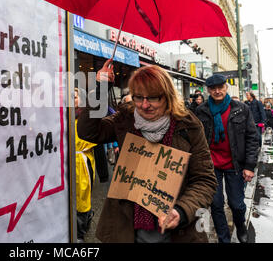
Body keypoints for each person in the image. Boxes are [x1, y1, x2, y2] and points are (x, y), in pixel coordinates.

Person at [77, 60, 217, 243]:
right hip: (127, 230)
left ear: (167, 96)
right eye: (138, 97)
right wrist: (101, 87)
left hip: (175, 232)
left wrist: (181, 211)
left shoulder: (189, 126)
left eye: (152, 97)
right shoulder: (125, 119)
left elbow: (205, 180)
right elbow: (89, 131)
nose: (144, 105)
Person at [195, 74, 258, 243]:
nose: (217, 91)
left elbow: (252, 138)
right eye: (213, 88)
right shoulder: (201, 111)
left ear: (226, 87)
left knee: (237, 204)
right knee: (215, 204)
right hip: (210, 165)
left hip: (235, 165)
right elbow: (195, 138)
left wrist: (250, 166)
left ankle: (241, 227)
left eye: (220, 87)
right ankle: (224, 239)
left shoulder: (241, 108)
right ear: (208, 90)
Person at [74, 87, 96, 242]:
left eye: (74, 97)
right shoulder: (63, 116)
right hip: (67, 163)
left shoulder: (86, 118)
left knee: (82, 197)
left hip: (82, 162)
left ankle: (80, 230)